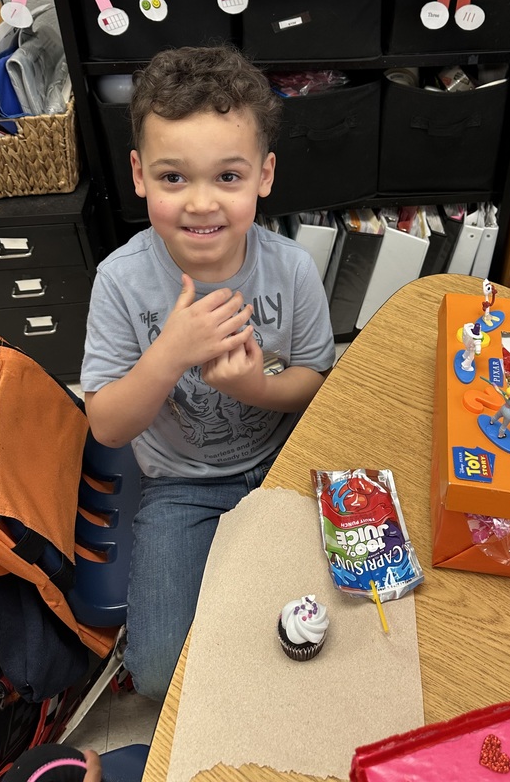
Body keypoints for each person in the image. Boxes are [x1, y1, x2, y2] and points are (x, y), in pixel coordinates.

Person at [81, 45, 335, 701]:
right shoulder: (120, 282)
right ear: (137, 174)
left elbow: (314, 381)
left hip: (285, 457)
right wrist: (170, 352)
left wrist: (253, 389)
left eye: (228, 177)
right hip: (182, 486)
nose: (200, 204)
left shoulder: (293, 270)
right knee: (163, 672)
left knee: (346, 623)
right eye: (173, 178)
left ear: (264, 175)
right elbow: (107, 426)